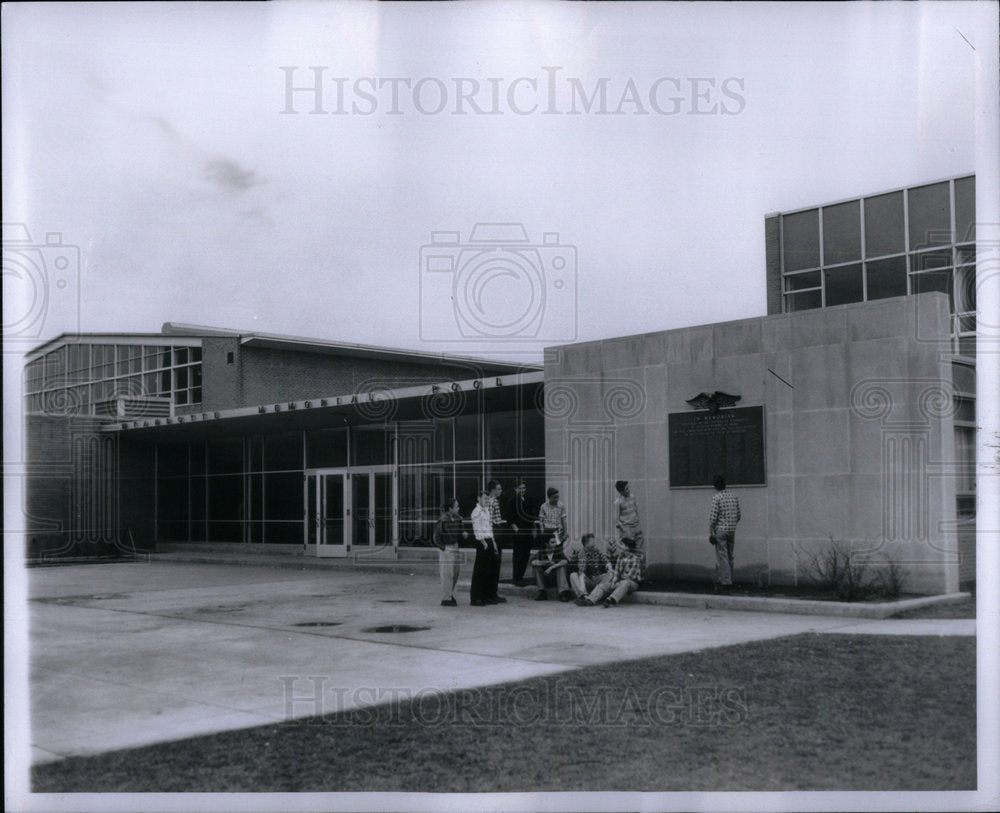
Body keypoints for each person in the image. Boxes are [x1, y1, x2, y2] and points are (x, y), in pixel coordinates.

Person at [577, 536, 643, 607]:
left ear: (628, 547)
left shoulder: (635, 559)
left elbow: (630, 576)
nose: (620, 546)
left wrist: (618, 581)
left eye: (622, 545)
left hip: (631, 583)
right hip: (620, 582)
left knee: (625, 582)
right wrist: (614, 581)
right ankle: (590, 600)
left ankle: (611, 600)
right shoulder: (620, 557)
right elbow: (617, 572)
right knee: (602, 586)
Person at [709, 474, 741, 593]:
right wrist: (732, 524)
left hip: (721, 530)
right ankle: (728, 578)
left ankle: (725, 582)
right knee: (730, 555)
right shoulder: (733, 497)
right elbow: (738, 515)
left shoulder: (716, 498)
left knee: (722, 556)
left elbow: (713, 518)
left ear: (715, 486)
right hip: (732, 530)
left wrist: (711, 532)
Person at [432, 499, 468, 606]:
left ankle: (450, 593)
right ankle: (445, 597)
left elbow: (461, 529)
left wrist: (464, 532)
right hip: (447, 547)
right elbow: (436, 537)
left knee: (455, 572)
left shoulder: (457, 518)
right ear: (450, 509)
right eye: (456, 507)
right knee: (447, 573)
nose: (458, 508)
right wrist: (443, 548)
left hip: (455, 546)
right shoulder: (443, 520)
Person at [469, 490, 500, 606]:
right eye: (485, 499)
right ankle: (476, 597)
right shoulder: (476, 512)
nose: (487, 501)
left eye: (488, 499)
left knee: (490, 570)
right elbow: (477, 529)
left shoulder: (487, 510)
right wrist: (484, 543)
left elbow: (489, 527)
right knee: (480, 570)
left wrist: (493, 542)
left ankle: (487, 596)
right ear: (479, 498)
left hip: (489, 540)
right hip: (481, 542)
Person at [504, 479, 537, 585]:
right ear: (515, 489)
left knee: (525, 554)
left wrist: (533, 529)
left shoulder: (527, 499)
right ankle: (516, 577)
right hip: (519, 533)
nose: (523, 490)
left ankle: (521, 577)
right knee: (518, 555)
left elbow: (531, 516)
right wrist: (517, 530)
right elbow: (510, 519)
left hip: (527, 532)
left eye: (524, 488)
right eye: (520, 488)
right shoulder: (512, 501)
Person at [531, 529, 574, 601]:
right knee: (536, 567)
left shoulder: (557, 551)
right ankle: (542, 592)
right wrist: (546, 562)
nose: (555, 544)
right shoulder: (541, 552)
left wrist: (551, 567)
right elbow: (532, 562)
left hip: (556, 579)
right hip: (545, 579)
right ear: (546, 544)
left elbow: (565, 561)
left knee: (561, 567)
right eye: (552, 542)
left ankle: (562, 593)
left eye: (555, 542)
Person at [567, 532, 610, 599]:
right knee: (573, 575)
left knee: (609, 575)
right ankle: (582, 595)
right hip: (586, 580)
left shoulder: (596, 550)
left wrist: (608, 565)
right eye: (592, 541)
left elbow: (604, 559)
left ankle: (596, 593)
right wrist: (582, 585)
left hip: (596, 578)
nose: (594, 542)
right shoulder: (582, 553)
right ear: (586, 543)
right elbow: (582, 570)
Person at [485, 480, 507, 603]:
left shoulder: (495, 501)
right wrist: (493, 538)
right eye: (498, 489)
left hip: (497, 531)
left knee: (496, 564)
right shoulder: (491, 502)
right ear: (492, 490)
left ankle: (493, 593)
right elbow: (489, 521)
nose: (501, 491)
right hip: (494, 532)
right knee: (493, 564)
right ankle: (490, 594)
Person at [614, 480, 644, 557]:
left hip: (636, 526)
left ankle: (639, 568)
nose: (628, 490)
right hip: (627, 528)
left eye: (628, 487)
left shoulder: (632, 496)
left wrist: (638, 523)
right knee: (628, 550)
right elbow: (616, 519)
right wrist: (624, 529)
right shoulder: (618, 502)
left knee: (639, 549)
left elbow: (636, 510)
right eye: (626, 489)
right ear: (621, 491)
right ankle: (627, 567)